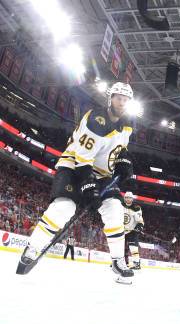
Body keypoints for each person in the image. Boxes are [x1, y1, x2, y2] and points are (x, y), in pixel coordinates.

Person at [17, 82, 136, 283]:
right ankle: (33, 248)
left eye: (125, 99)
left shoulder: (128, 123)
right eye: (118, 97)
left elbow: (120, 148)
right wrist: (88, 184)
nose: (122, 102)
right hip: (75, 165)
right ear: (110, 98)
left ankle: (117, 260)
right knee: (64, 207)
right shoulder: (96, 120)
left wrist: (125, 160)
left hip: (102, 173)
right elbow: (83, 157)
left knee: (115, 209)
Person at [122, 191, 144, 270]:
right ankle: (122, 263)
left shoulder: (136, 208)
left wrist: (139, 227)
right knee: (120, 248)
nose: (128, 199)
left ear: (132, 199)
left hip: (132, 231)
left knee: (133, 248)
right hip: (122, 230)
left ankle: (136, 264)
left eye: (129, 198)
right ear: (124, 198)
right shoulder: (120, 205)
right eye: (126, 197)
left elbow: (140, 221)